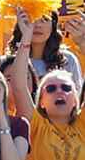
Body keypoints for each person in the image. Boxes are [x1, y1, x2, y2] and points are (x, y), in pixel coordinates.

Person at [10, 9, 85, 160]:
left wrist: (83, 42)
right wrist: (26, 38)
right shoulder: (35, 125)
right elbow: (18, 87)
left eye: (66, 88)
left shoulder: (82, 123)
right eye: (50, 88)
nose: (60, 92)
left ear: (76, 99)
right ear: (41, 101)